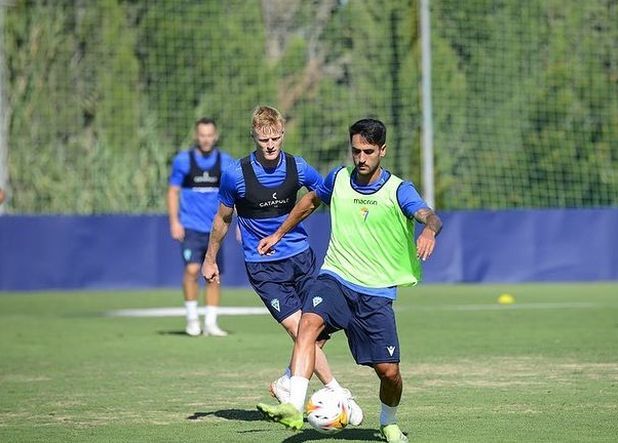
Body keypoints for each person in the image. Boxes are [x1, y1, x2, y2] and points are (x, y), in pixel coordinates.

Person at [255, 118, 442, 442]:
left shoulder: (398, 189)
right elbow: (310, 201)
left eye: (368, 151)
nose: (361, 158)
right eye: (356, 151)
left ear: (382, 150)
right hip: (336, 278)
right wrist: (278, 233)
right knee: (308, 324)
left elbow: (428, 214)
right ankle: (294, 405)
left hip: (376, 294)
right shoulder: (338, 178)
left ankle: (388, 420)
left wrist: (429, 229)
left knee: (390, 373)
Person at [201, 105, 363, 424]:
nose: (271, 145)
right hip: (263, 267)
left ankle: (288, 381)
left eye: (276, 137)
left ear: (283, 135)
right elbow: (222, 219)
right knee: (300, 328)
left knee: (318, 332)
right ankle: (337, 390)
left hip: (302, 259)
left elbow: (326, 194)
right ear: (254, 137)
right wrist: (210, 259)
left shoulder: (298, 168)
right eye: (264, 140)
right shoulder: (236, 174)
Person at [167, 117, 233, 337]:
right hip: (191, 226)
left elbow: (234, 195)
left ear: (215, 136)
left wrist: (239, 224)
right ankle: (192, 319)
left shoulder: (225, 162)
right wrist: (175, 221)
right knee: (193, 269)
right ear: (197, 136)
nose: (206, 139)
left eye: (209, 135)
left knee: (213, 274)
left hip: (216, 228)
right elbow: (173, 191)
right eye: (202, 135)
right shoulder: (183, 161)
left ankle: (211, 323)